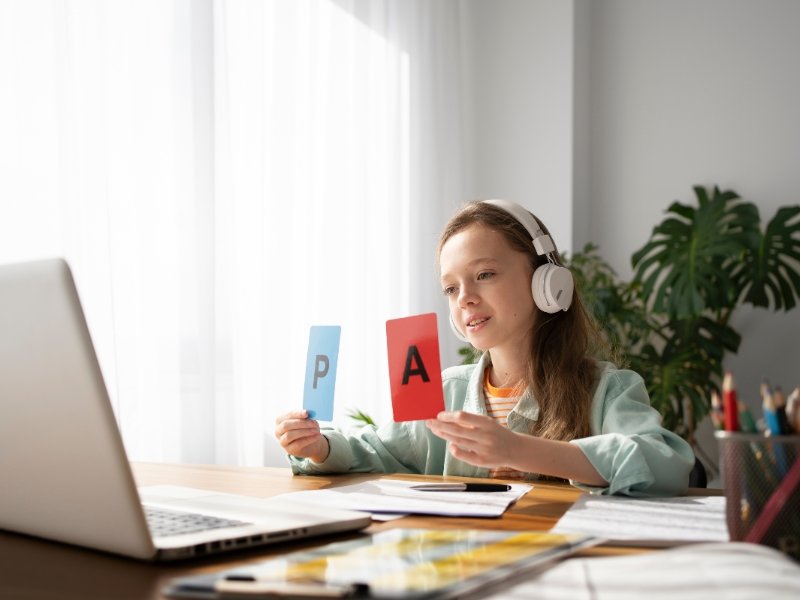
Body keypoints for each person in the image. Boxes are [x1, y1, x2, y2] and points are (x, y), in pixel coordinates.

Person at [274, 199, 694, 496]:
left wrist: (519, 449)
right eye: (451, 288)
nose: (465, 298)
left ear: (546, 282)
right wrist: (320, 447)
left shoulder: (607, 388)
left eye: (485, 274)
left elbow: (665, 461)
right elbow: (379, 450)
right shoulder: (442, 392)